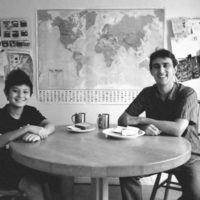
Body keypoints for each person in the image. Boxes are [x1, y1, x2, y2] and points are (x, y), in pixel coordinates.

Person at [118, 49, 200, 200]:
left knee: (196, 195)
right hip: (156, 153)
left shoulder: (188, 93)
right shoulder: (147, 93)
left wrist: (143, 120)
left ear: (175, 69)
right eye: (156, 66)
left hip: (188, 155)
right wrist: (141, 128)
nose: (161, 70)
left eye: (165, 65)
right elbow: (123, 120)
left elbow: (177, 129)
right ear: (151, 71)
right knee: (127, 173)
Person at [0, 68, 55, 200]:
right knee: (34, 188)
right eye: (15, 91)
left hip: (30, 162)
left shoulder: (30, 112)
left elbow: (50, 125)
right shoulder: (1, 115)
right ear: (7, 94)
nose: (20, 95)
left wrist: (42, 133)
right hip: (5, 168)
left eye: (25, 92)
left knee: (64, 178)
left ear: (30, 95)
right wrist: (26, 129)